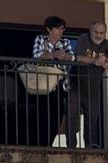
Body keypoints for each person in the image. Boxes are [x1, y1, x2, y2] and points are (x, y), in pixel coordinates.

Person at [68, 20, 108, 149]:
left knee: (92, 120)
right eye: (96, 32)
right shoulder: (83, 38)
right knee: (72, 117)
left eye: (102, 33)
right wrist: (96, 61)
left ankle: (90, 148)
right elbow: (78, 57)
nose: (98, 35)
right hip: (76, 85)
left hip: (94, 88)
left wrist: (105, 59)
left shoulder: (107, 44)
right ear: (90, 30)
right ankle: (71, 148)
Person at [32, 16, 74, 146]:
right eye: (58, 28)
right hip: (44, 85)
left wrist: (64, 56)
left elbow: (72, 57)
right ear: (48, 29)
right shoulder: (40, 39)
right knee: (43, 116)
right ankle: (41, 144)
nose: (61, 31)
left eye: (62, 29)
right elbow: (37, 57)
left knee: (57, 117)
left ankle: (49, 143)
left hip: (61, 85)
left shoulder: (66, 42)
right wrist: (54, 55)